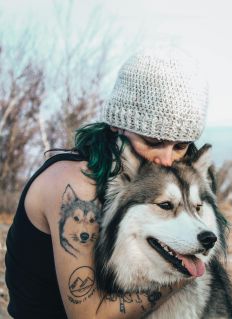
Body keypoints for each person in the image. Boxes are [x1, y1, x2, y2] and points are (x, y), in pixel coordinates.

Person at [5, 48, 209, 318]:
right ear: (117, 125)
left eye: (180, 145)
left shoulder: (142, 176)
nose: (167, 159)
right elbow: (89, 316)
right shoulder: (77, 184)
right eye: (153, 142)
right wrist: (185, 272)